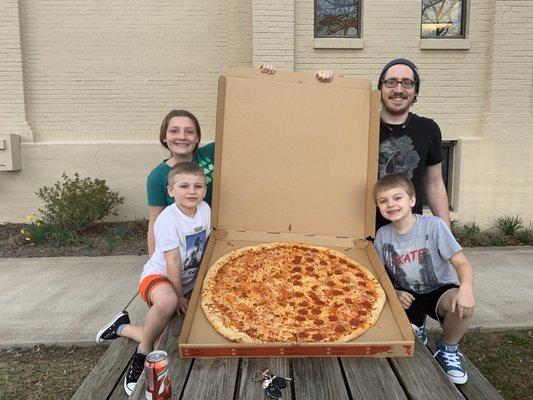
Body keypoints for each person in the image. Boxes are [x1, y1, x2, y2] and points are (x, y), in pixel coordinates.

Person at [261, 60, 450, 232]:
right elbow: (304, 126)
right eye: (391, 82)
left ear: (415, 90)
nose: (399, 89)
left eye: (407, 83)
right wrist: (271, 82)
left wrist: (446, 234)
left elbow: (434, 184)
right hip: (356, 232)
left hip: (407, 234)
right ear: (380, 88)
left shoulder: (428, 129)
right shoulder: (357, 123)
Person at [96, 162, 211, 395]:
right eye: (184, 186)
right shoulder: (168, 219)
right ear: (171, 191)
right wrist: (179, 295)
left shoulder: (205, 210)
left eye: (198, 186)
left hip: (187, 279)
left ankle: (122, 327)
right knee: (167, 305)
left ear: (205, 190)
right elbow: (173, 262)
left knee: (170, 338)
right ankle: (143, 351)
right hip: (159, 277)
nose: (192, 191)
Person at [373, 173, 474, 384]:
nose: (390, 204)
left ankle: (448, 348)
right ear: (378, 207)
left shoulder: (434, 225)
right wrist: (394, 292)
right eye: (383, 201)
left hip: (439, 290)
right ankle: (416, 325)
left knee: (461, 305)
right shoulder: (382, 235)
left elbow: (462, 262)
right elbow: (379, 274)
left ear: (412, 200)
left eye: (397, 198)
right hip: (406, 294)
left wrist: (466, 289)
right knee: (398, 343)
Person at [147, 109, 215, 255]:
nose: (182, 137)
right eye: (174, 131)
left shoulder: (211, 153)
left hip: (215, 236)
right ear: (164, 137)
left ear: (197, 138)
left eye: (189, 132)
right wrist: (153, 259)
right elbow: (155, 222)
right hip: (185, 248)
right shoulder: (157, 177)